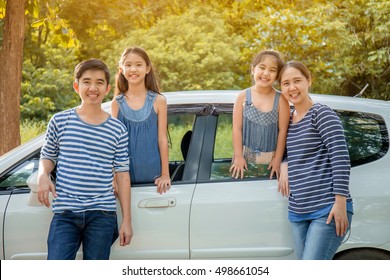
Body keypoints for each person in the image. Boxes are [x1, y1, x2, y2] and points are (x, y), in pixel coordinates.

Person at [37, 58, 133, 260]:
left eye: (99, 82)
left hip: (102, 214)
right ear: (76, 86)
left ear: (107, 88)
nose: (93, 88)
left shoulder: (117, 129)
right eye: (87, 81)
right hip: (65, 213)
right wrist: (43, 175)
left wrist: (126, 221)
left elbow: (123, 175)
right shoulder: (60, 121)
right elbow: (48, 156)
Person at [277, 61, 353, 260]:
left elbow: (340, 157)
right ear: (281, 88)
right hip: (297, 212)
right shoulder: (289, 120)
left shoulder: (321, 114)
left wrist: (340, 203)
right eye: (286, 83)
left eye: (297, 81)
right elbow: (281, 150)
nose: (292, 88)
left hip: (326, 210)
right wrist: (284, 164)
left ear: (308, 80)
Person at [111, 46, 170, 194]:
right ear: (121, 69)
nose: (133, 69)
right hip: (123, 179)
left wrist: (165, 175)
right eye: (128, 65)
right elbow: (112, 144)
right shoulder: (117, 103)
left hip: (153, 179)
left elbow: (162, 140)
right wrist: (112, 179)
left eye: (139, 65)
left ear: (148, 68)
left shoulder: (159, 101)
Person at [230, 50, 290, 180]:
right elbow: (237, 129)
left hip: (271, 160)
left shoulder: (281, 100)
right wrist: (239, 157)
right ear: (253, 69)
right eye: (262, 67)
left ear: (277, 76)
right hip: (244, 159)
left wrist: (278, 159)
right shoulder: (242, 97)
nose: (266, 73)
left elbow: (282, 131)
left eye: (272, 70)